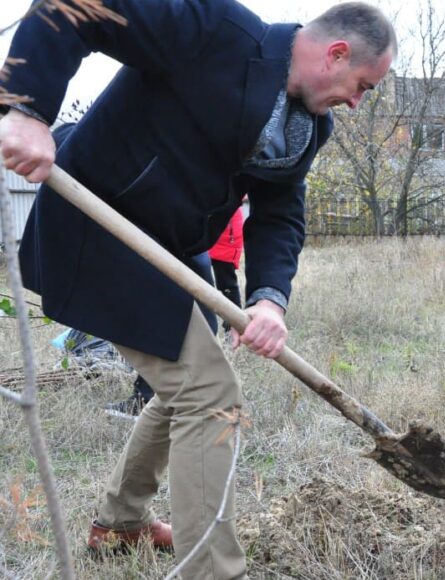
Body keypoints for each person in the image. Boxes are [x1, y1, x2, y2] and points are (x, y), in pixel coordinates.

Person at [0, 2, 395, 577]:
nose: (358, 103)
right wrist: (26, 109)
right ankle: (212, 571)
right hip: (97, 228)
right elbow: (75, 6)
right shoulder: (216, 33)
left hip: (170, 255)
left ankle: (120, 523)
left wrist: (268, 297)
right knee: (210, 394)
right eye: (362, 85)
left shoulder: (305, 126)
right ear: (335, 54)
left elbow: (280, 213)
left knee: (185, 387)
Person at [105, 208, 246, 418]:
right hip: (185, 230)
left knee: (219, 289)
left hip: (209, 231)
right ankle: (147, 395)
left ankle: (229, 331)